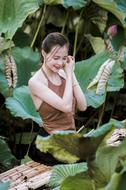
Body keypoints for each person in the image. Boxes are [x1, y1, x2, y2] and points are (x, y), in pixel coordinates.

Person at [28, 32, 87, 165]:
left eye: (64, 58)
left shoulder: (63, 73)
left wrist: (71, 74)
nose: (60, 63)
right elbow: (66, 107)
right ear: (44, 54)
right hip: (49, 143)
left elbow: (83, 106)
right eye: (56, 58)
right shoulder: (36, 82)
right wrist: (69, 74)